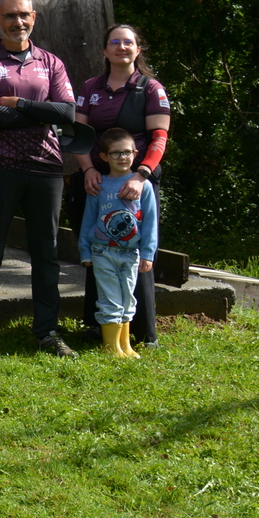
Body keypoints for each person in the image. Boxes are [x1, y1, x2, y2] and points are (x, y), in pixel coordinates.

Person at [0, 0, 80, 359]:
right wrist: (42, 112)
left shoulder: (51, 62)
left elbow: (67, 114)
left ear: (34, 17)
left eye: (24, 15)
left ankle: (47, 332)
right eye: (10, 16)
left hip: (46, 168)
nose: (18, 22)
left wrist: (20, 104)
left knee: (47, 255)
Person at [70, 24, 171, 347]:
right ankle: (97, 327)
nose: (121, 47)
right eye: (115, 42)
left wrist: (141, 176)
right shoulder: (91, 87)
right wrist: (87, 169)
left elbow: (160, 137)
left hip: (136, 180)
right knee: (98, 247)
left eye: (128, 43)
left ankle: (143, 333)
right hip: (97, 180)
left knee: (135, 249)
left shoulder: (150, 88)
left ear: (138, 50)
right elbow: (78, 135)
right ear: (105, 50)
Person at [79, 128, 159, 358]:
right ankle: (110, 347)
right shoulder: (100, 185)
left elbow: (150, 222)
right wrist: (85, 251)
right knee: (110, 299)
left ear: (135, 154)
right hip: (103, 252)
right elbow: (88, 220)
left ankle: (125, 345)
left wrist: (148, 253)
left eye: (127, 152)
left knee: (127, 299)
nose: (122, 157)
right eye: (116, 153)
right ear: (104, 157)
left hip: (131, 253)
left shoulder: (144, 186)